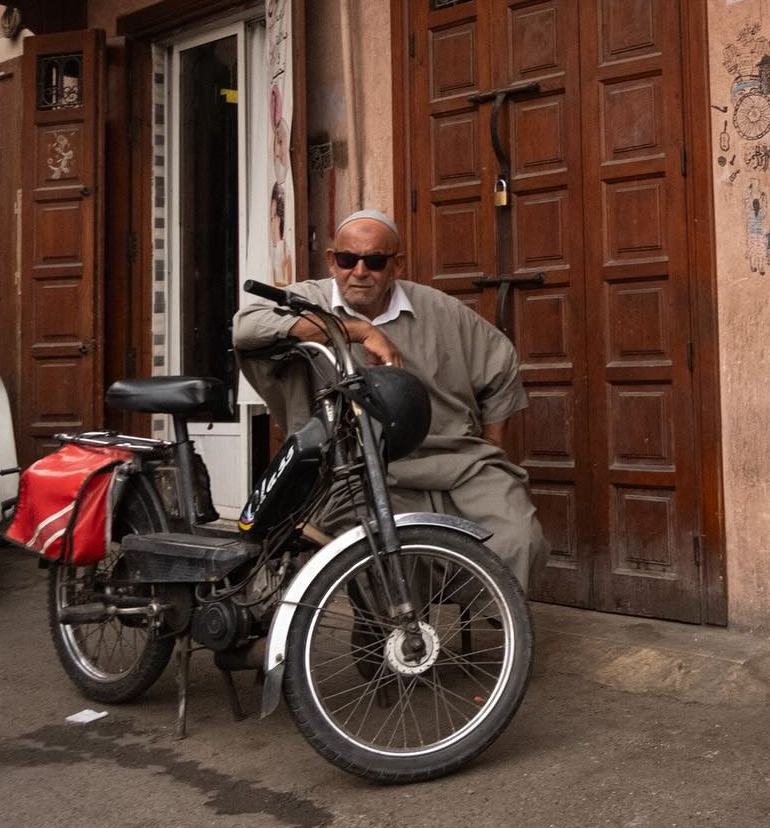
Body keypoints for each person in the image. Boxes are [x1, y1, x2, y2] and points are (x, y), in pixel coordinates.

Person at [234, 209, 549, 590]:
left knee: (518, 539)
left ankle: (498, 619)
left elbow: (500, 361)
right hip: (358, 468)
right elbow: (246, 327)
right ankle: (400, 626)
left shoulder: (438, 309)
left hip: (459, 460)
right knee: (386, 551)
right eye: (347, 259)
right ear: (332, 260)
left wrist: (493, 444)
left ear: (396, 265)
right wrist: (357, 331)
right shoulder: (310, 300)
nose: (359, 272)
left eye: (375, 262)